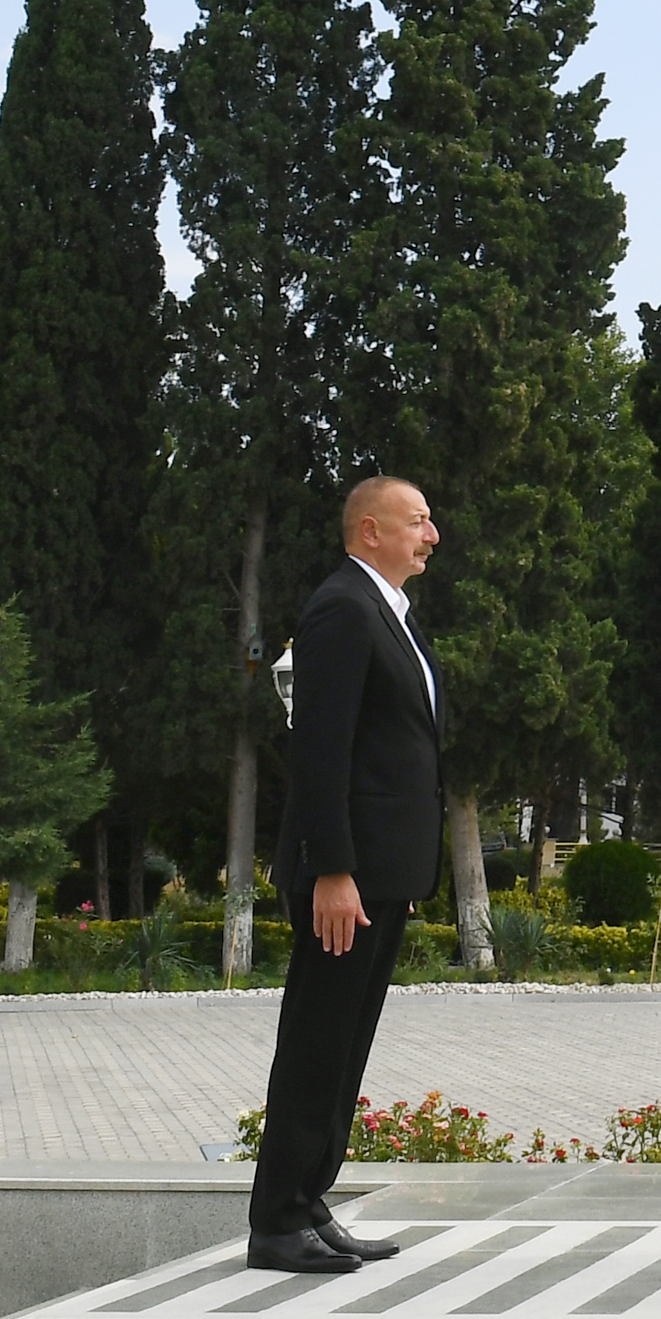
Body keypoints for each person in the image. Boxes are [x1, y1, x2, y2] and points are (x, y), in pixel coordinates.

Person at [245, 475, 447, 1272]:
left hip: (383, 869)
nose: (432, 534)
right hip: (347, 875)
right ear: (370, 530)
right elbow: (319, 750)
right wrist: (332, 869)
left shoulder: (387, 612)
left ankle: (308, 1199)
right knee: (317, 1040)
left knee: (344, 1044)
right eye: (418, 521)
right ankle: (278, 1221)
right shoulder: (343, 608)